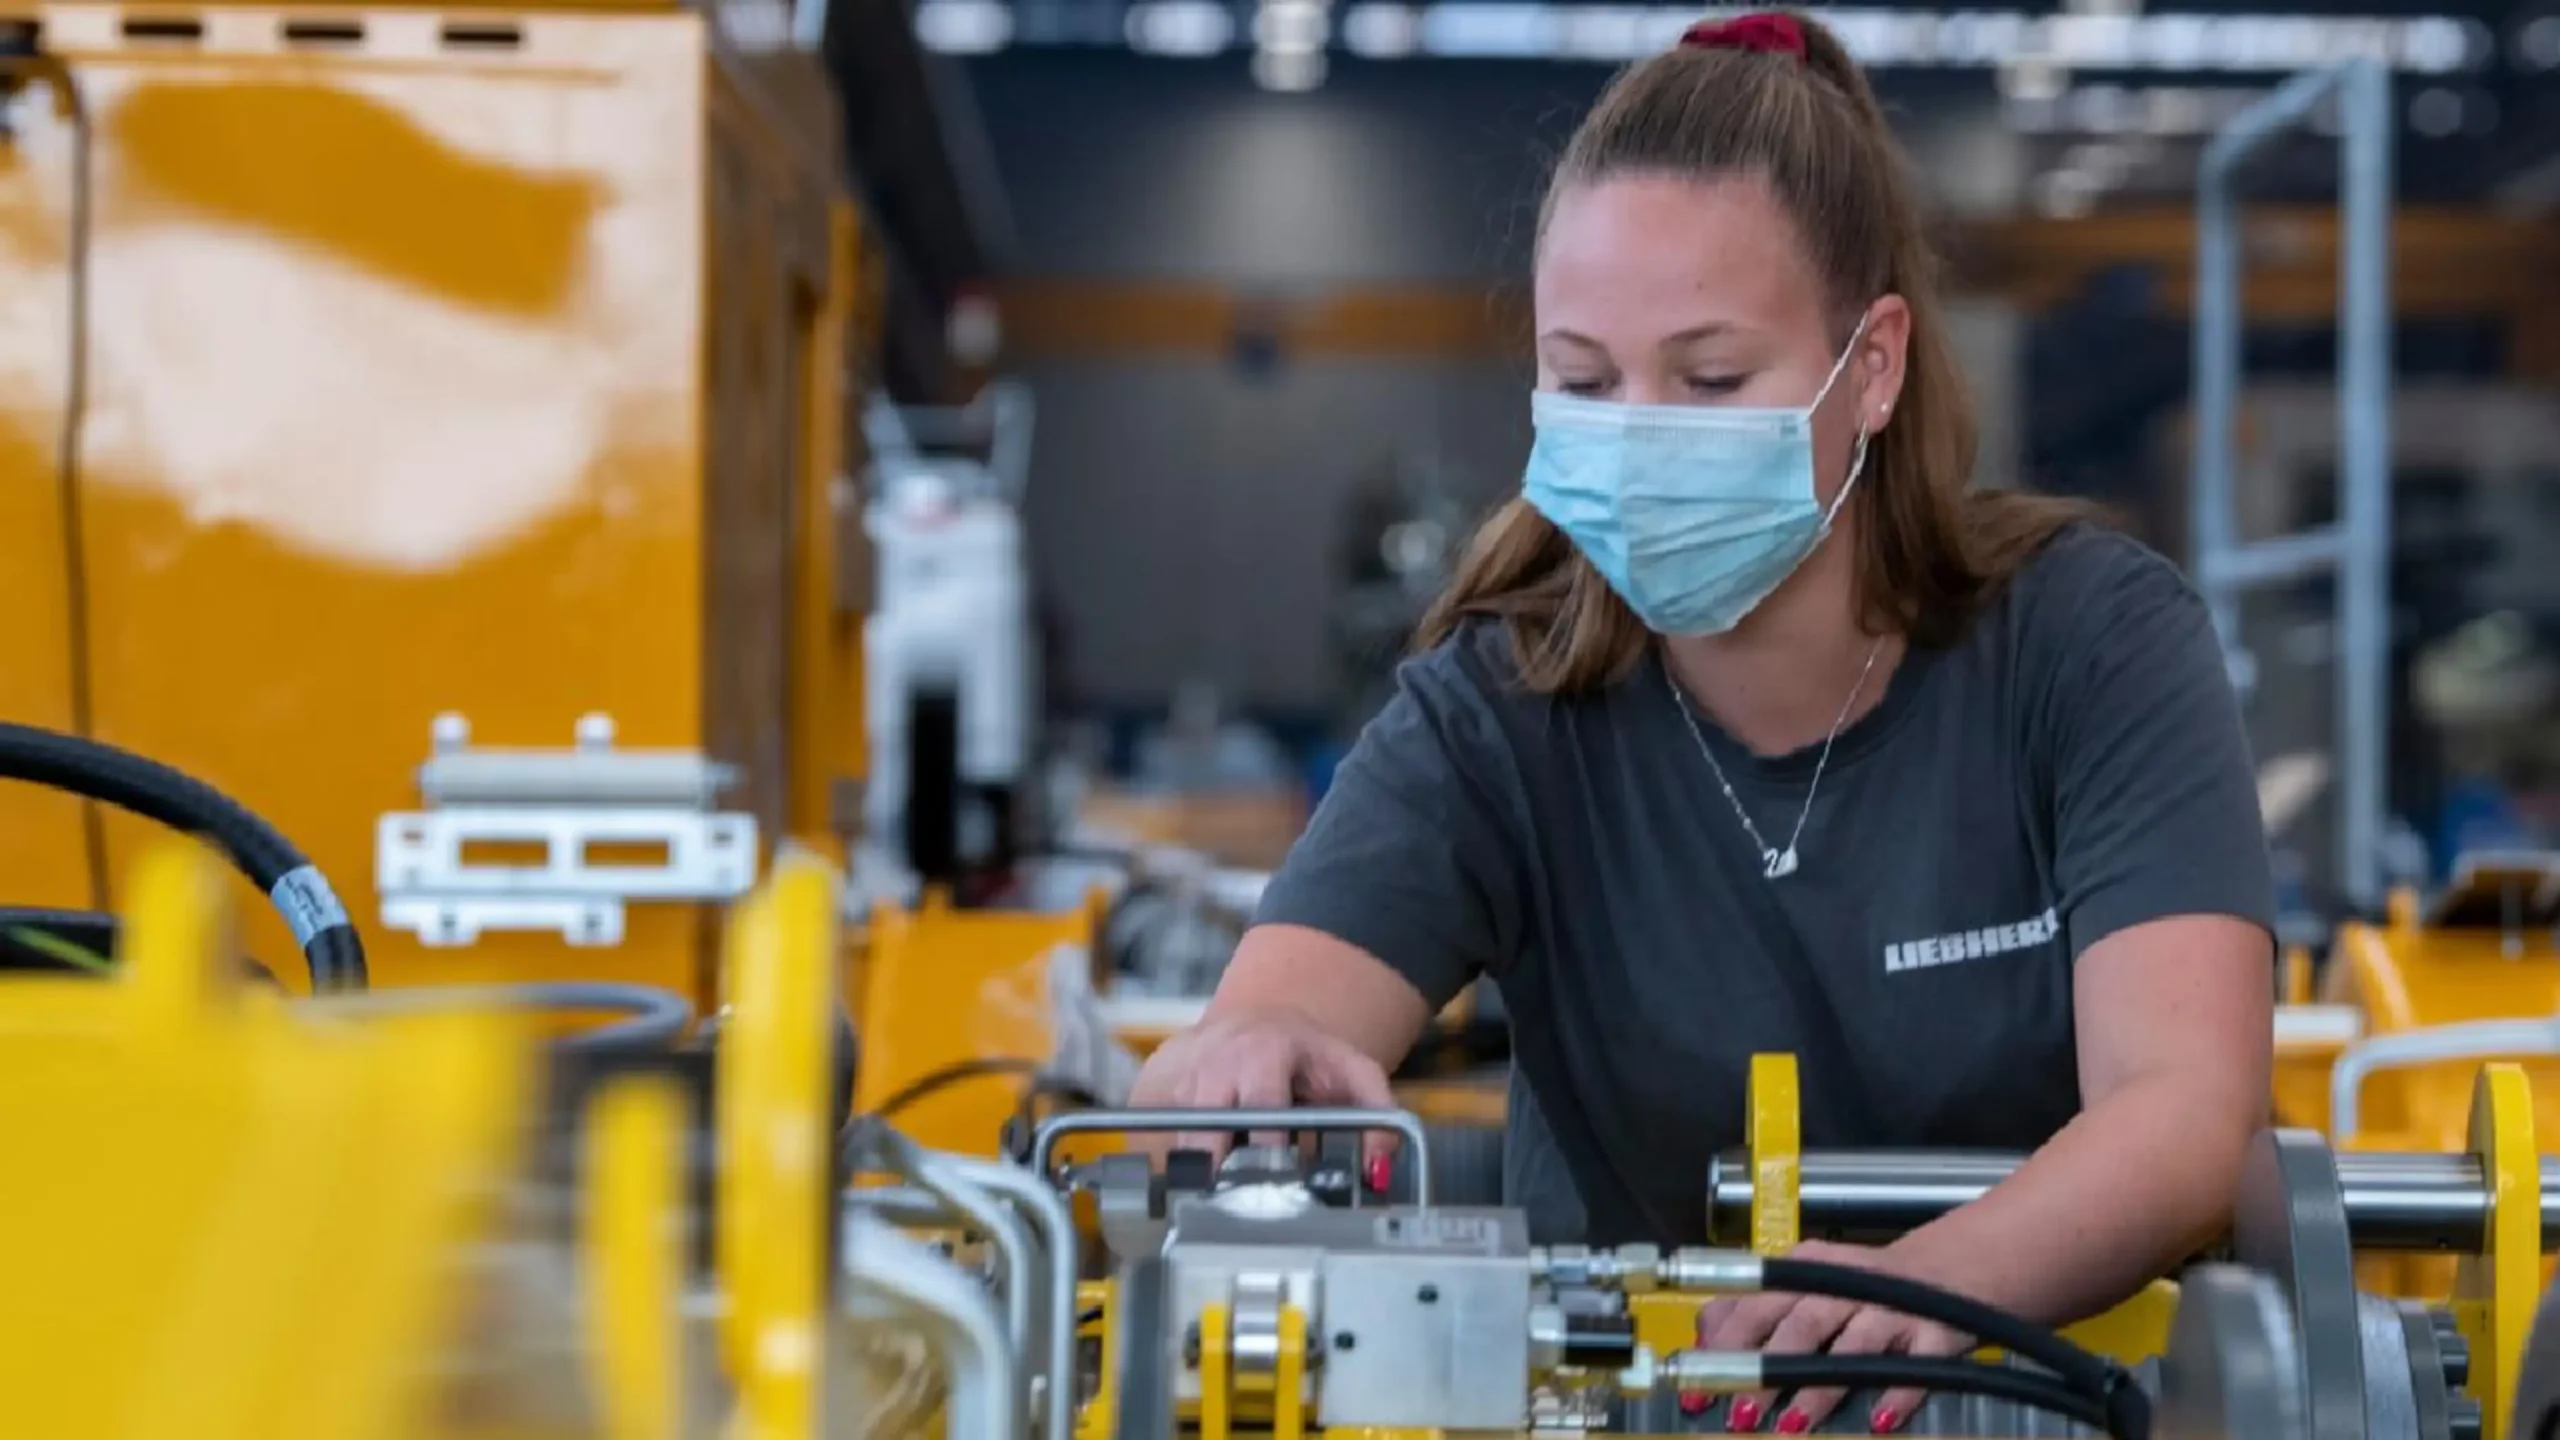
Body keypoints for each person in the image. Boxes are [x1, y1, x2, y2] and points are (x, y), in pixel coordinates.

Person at [1129, 9, 2274, 1435]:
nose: (1642, 431)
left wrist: (1923, 1295)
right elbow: (1287, 1007)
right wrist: (1251, 1060)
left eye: (1712, 376)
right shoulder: (1503, 707)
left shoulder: (2088, 646)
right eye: (1589, 382)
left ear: (1873, 367)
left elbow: (2184, 1111)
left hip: (2038, 1393)